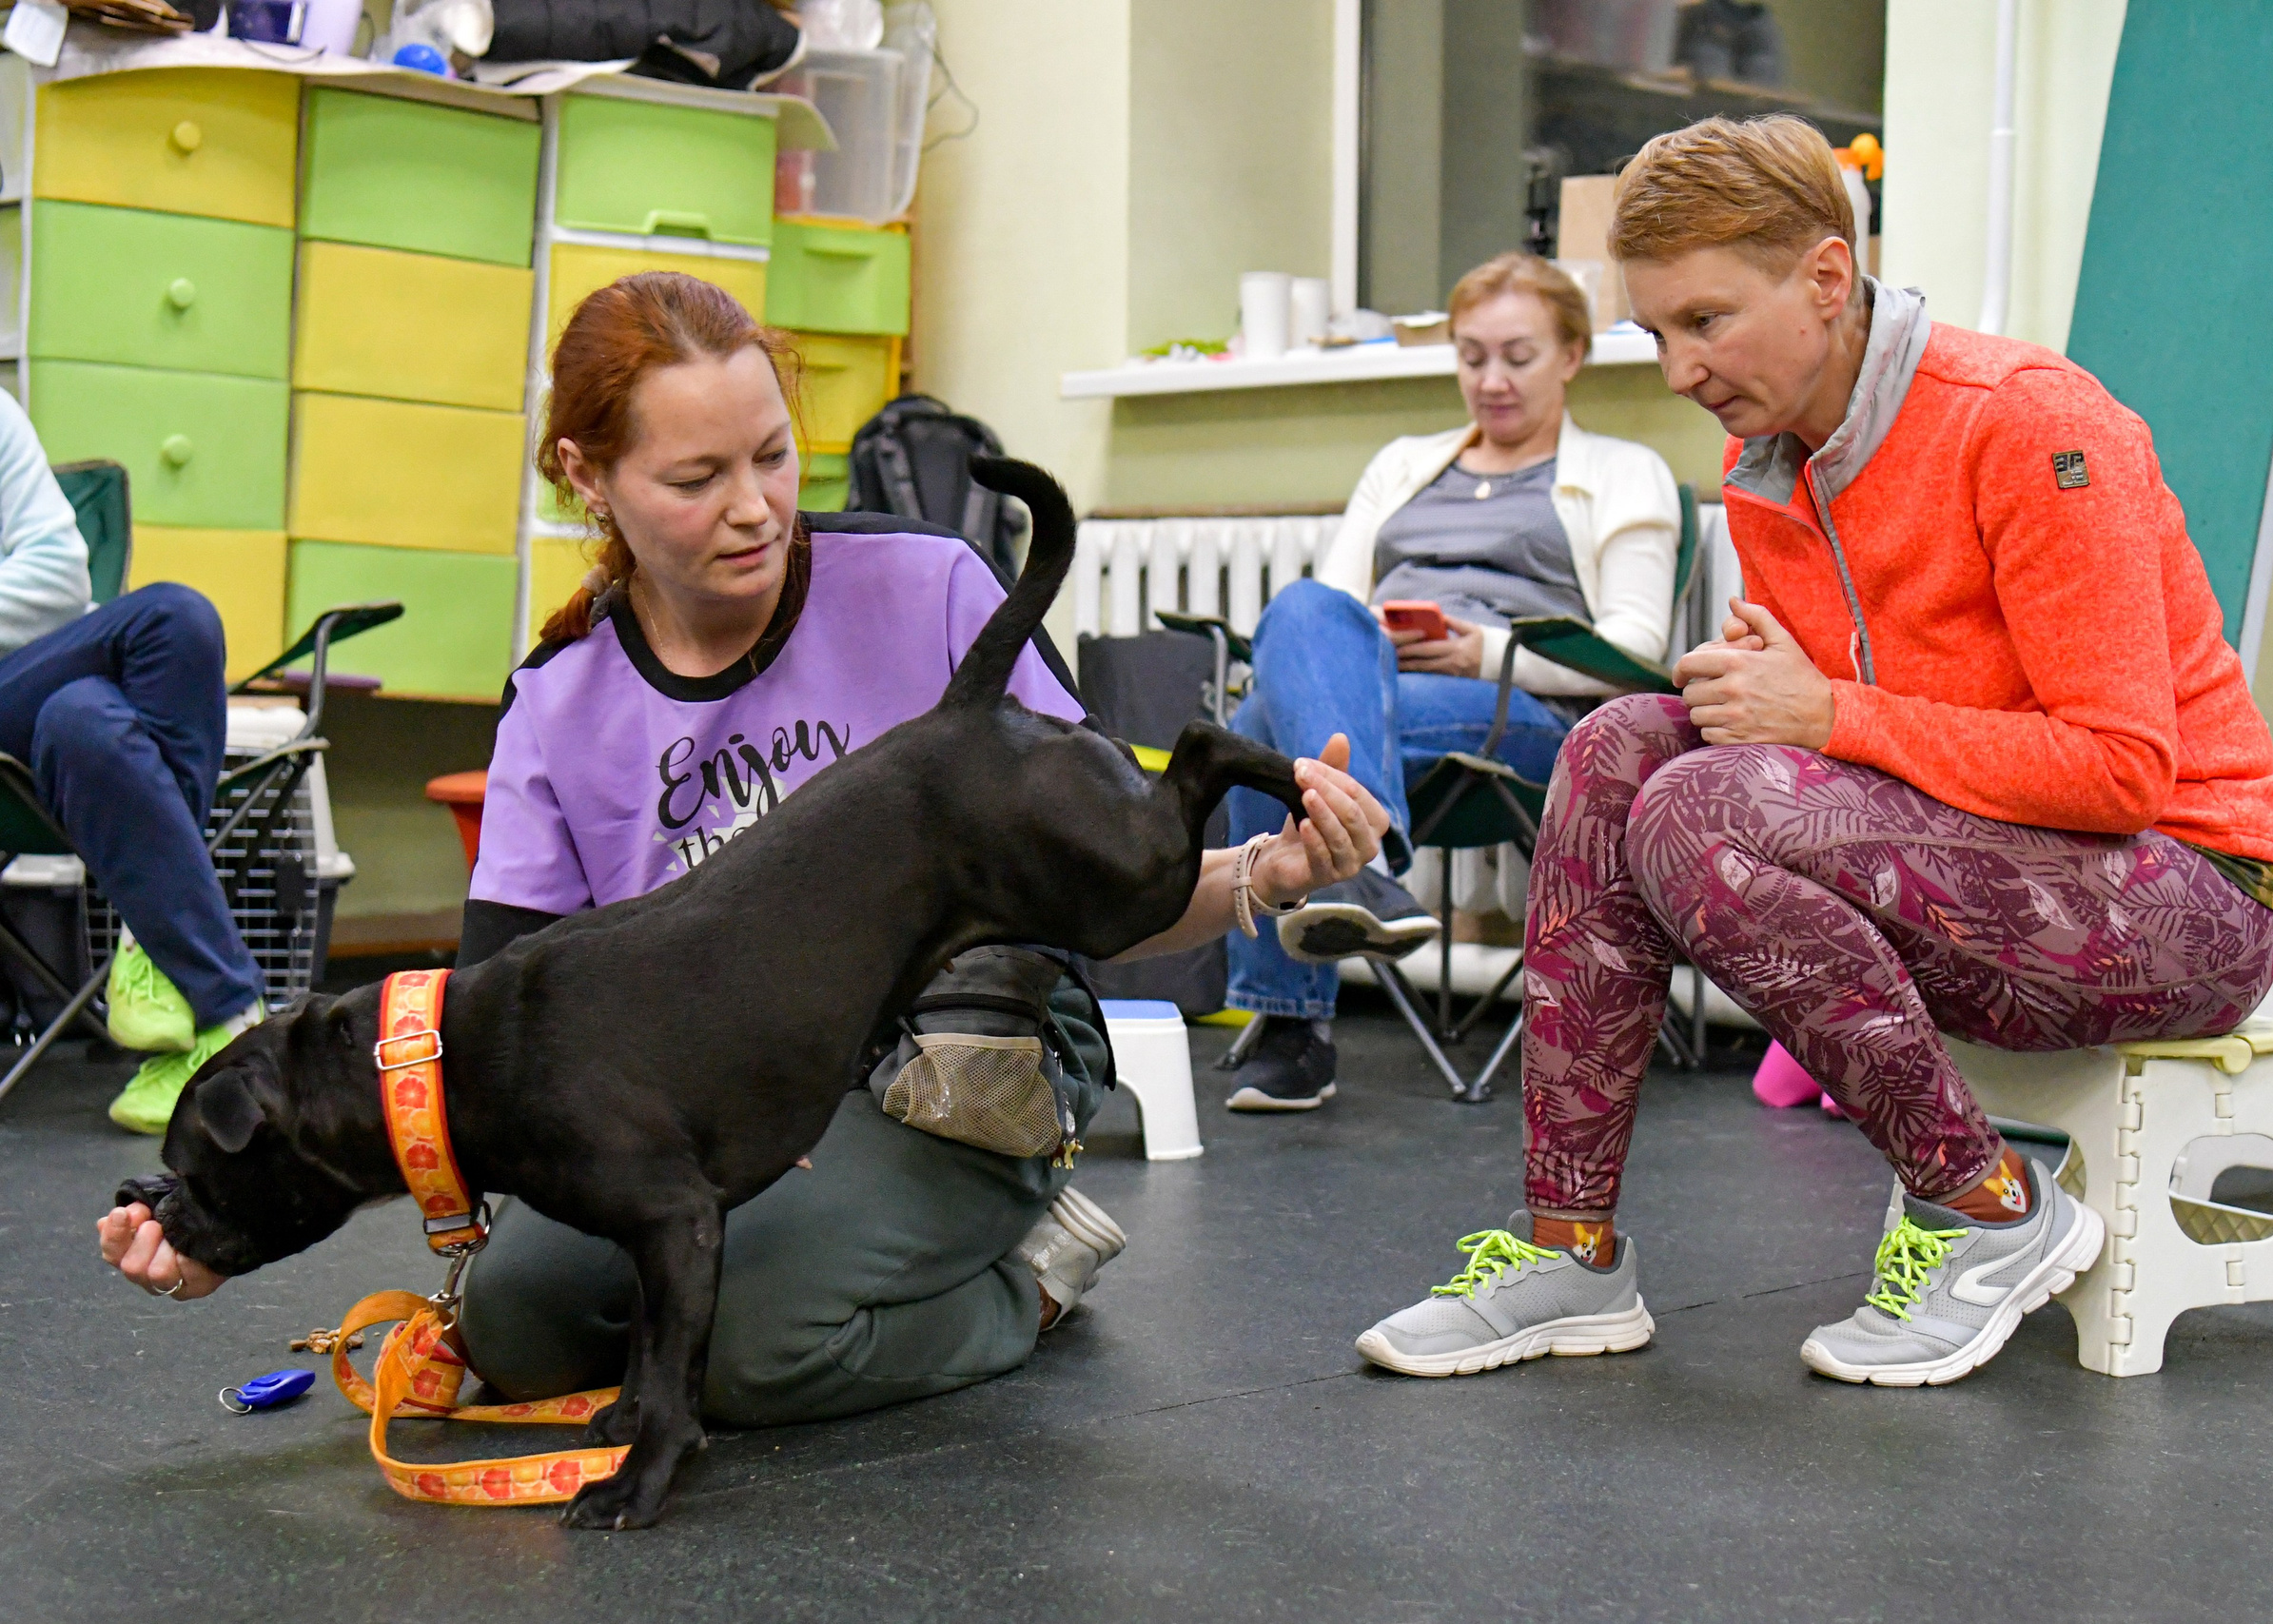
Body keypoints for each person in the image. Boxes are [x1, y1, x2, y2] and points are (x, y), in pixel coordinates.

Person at [99, 272, 1393, 1422]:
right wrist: (227, 1220)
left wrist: (1254, 879)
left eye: (773, 457)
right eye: (696, 478)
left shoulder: (932, 588)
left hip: (962, 1065)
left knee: (741, 1349)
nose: (755, 508)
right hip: (701, 1105)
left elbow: (1101, 890)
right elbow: (482, 1068)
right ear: (585, 476)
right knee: (524, 1327)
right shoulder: (560, 698)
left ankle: (1026, 1282)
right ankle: (815, 1249)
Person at [1357, 115, 2273, 1387]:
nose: (1680, 369)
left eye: (1706, 322)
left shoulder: (2031, 426)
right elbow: (1869, 732)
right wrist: (1786, 691)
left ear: (1825, 280)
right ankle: (1571, 1248)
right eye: (1654, 334)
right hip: (1988, 868)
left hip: (2186, 894)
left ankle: (1989, 1206)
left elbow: (2122, 769)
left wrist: (1827, 714)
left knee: (1701, 807)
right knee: (1619, 746)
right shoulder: (1767, 464)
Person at [1221, 252, 1681, 1113]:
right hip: (1376, 691)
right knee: (1301, 615)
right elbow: (1333, 605)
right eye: (1472, 357)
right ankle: (1363, 870)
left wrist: (1486, 651)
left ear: (1572, 354)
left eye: (1518, 356)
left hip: (1525, 712)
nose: (1492, 380)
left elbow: (1637, 647)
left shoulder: (1626, 472)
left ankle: (1295, 1022)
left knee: (1257, 729)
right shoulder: (1403, 463)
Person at [0, 393, 266, 1132]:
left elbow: (60, 584)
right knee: (167, 615)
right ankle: (228, 1008)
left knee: (85, 718)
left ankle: (175, 970)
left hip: (32, 697)